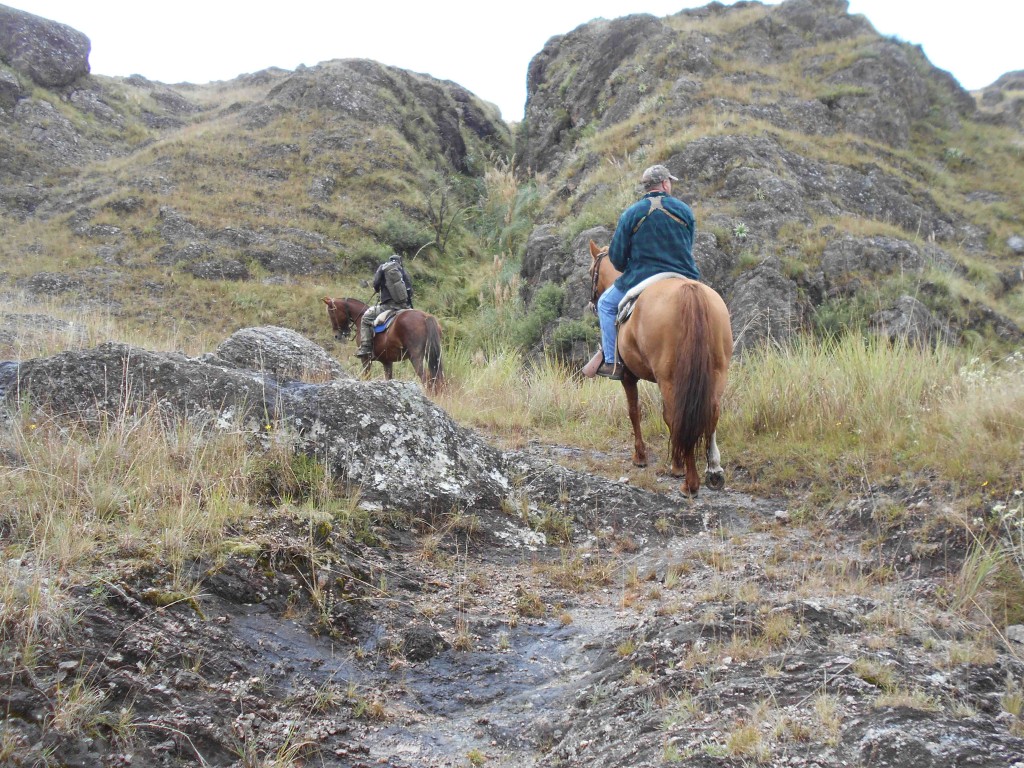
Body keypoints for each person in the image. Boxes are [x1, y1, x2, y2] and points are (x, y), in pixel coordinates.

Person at [593, 164, 700, 379]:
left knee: (605, 304)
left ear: (647, 187)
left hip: (641, 277)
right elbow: (688, 246)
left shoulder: (631, 213)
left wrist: (628, 268)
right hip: (683, 274)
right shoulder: (684, 211)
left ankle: (613, 363)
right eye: (669, 181)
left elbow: (616, 257)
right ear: (664, 184)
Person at [356, 253, 414, 359]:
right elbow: (410, 290)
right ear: (400, 262)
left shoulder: (383, 268)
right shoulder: (403, 272)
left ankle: (365, 347)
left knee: (366, 318)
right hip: (405, 307)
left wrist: (379, 288)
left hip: (388, 306)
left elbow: (376, 284)